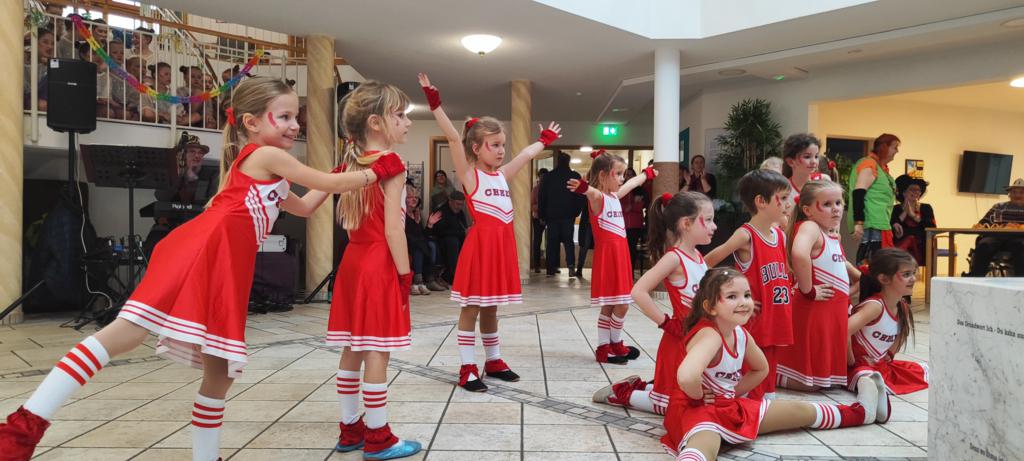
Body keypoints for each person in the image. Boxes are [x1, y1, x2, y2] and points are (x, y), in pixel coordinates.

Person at [0, 77, 407, 460]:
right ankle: (22, 428)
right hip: (204, 252)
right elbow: (329, 186)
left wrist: (344, 172)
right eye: (283, 116)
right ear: (251, 123)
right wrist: (374, 171)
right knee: (125, 334)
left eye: (295, 116)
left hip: (224, 265)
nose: (294, 125)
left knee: (221, 370)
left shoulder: (269, 168)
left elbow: (305, 205)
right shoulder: (266, 155)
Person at [420, 73, 561, 392]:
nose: (500, 151)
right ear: (476, 147)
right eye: (494, 145)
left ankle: (494, 360)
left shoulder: (501, 175)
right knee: (470, 307)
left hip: (500, 249)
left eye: (502, 145)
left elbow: (525, 156)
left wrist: (544, 141)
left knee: (491, 307)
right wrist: (435, 104)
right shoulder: (470, 176)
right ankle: (467, 366)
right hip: (480, 249)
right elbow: (452, 138)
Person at [661, 268, 881, 461]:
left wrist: (732, 393)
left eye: (747, 295)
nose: (743, 302)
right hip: (695, 411)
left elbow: (761, 369)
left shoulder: (740, 333)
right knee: (705, 445)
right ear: (710, 307)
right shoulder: (710, 335)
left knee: (799, 411)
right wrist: (698, 396)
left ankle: (862, 412)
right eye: (732, 296)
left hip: (727, 406)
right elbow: (686, 376)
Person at [327, 80, 422, 460]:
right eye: (400, 115)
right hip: (380, 263)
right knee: (378, 352)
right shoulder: (391, 164)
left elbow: (304, 204)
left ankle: (350, 429)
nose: (407, 123)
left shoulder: (348, 165)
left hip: (352, 263)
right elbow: (393, 229)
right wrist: (405, 275)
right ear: (376, 122)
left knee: (352, 347)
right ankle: (379, 437)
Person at [593, 191, 713, 415]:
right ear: (686, 224)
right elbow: (639, 291)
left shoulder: (697, 256)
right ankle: (620, 393)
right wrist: (667, 323)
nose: (714, 226)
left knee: (697, 399)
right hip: (679, 341)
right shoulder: (674, 258)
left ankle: (644, 387)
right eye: (707, 220)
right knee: (674, 406)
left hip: (698, 339)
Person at [704, 169, 793, 399]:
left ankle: (764, 404)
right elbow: (707, 261)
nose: (788, 203)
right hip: (754, 318)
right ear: (761, 201)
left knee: (769, 372)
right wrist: (727, 296)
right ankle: (738, 402)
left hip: (777, 314)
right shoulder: (746, 235)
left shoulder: (779, 236)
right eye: (783, 198)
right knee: (751, 369)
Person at [567, 150, 657, 363]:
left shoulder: (614, 196)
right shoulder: (599, 198)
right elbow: (592, 193)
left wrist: (646, 174)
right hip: (609, 258)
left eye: (622, 174)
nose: (622, 178)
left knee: (610, 304)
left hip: (620, 255)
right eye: (617, 174)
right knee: (622, 303)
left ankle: (606, 347)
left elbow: (632, 184)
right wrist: (584, 188)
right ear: (602, 176)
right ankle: (613, 343)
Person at [777, 180, 861, 391]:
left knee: (827, 379)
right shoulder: (810, 227)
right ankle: (772, 377)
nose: (836, 209)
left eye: (839, 203)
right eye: (827, 204)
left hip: (830, 310)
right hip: (813, 308)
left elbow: (839, 267)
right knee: (810, 383)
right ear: (808, 210)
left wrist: (853, 287)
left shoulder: (829, 233)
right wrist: (809, 290)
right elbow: (799, 254)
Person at [848, 248, 928, 415]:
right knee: (865, 377)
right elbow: (843, 331)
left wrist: (890, 354)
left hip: (879, 365)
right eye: (906, 274)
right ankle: (869, 402)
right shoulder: (875, 306)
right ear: (884, 279)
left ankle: (877, 390)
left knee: (925, 371)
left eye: (913, 273)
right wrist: (851, 360)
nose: (913, 279)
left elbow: (902, 333)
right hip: (855, 367)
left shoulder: (903, 307)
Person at [849, 133, 900, 265]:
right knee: (873, 264)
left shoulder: (881, 168)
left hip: (880, 223)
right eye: (894, 147)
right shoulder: (869, 164)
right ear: (884, 147)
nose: (897, 151)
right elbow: (859, 192)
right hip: (872, 223)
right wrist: (859, 222)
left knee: (880, 263)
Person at [967, 178, 1024, 277]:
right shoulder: (998, 207)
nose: (1017, 195)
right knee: (984, 244)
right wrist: (979, 226)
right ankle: (976, 278)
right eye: (1014, 192)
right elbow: (983, 223)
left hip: (1018, 239)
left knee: (1022, 246)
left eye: (1021, 192)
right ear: (1009, 194)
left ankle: (1020, 280)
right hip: (996, 236)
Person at [539, 152, 583, 277]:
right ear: (568, 162)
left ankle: (550, 269)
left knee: (552, 242)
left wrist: (542, 215)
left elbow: (542, 196)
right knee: (569, 242)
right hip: (568, 215)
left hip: (552, 215)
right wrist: (576, 212)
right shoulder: (574, 176)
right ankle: (571, 267)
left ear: (558, 161)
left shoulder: (548, 177)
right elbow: (580, 196)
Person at [405, 184, 445, 295]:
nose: (414, 199)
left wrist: (429, 225)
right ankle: (419, 281)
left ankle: (426, 280)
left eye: (416, 197)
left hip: (417, 244)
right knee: (419, 246)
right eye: (410, 197)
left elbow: (423, 235)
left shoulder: (417, 214)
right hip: (405, 244)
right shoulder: (401, 214)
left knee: (431, 245)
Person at [890, 175, 935, 265]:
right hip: (900, 240)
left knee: (911, 239)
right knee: (908, 239)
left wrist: (913, 215)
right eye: (912, 189)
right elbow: (893, 226)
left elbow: (932, 227)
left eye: (918, 190)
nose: (916, 192)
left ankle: (893, 258)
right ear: (904, 193)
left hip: (921, 244)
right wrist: (905, 212)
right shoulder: (896, 208)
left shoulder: (926, 207)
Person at [431, 191, 469, 284]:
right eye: (457, 204)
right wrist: (462, 233)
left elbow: (463, 228)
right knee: (452, 242)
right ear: (450, 202)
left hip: (457, 238)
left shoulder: (460, 213)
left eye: (461, 204)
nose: (459, 207)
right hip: (442, 240)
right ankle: (453, 275)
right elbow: (440, 231)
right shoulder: (441, 211)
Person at [781, 133, 830, 205]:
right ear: (790, 162)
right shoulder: (783, 189)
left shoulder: (824, 180)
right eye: (807, 157)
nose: (814, 161)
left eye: (816, 156)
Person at [621, 168, 649, 273]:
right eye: (627, 174)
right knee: (623, 250)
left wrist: (631, 206)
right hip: (622, 224)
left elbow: (642, 206)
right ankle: (623, 272)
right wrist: (632, 204)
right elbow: (619, 205)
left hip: (635, 225)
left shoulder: (640, 190)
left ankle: (630, 272)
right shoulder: (620, 189)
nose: (628, 176)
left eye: (631, 174)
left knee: (632, 249)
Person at [23, 27, 53, 111]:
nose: (50, 46)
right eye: (45, 42)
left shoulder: (53, 65)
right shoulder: (22, 64)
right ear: (34, 42)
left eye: (53, 44)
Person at [531, 168, 548, 273]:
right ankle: (537, 265)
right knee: (537, 241)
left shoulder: (550, 188)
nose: (543, 179)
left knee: (551, 241)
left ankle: (552, 266)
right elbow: (532, 204)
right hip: (537, 218)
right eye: (541, 176)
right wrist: (540, 209)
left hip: (549, 218)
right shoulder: (536, 189)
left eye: (544, 177)